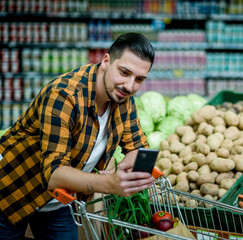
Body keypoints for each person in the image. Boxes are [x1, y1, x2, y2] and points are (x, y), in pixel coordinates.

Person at [0, 32, 156, 240]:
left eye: (139, 79)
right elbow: (54, 174)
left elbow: (139, 149)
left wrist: (136, 169)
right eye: (124, 73)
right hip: (12, 191)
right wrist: (110, 183)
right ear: (106, 61)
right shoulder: (64, 96)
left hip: (58, 201)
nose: (129, 86)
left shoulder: (123, 100)